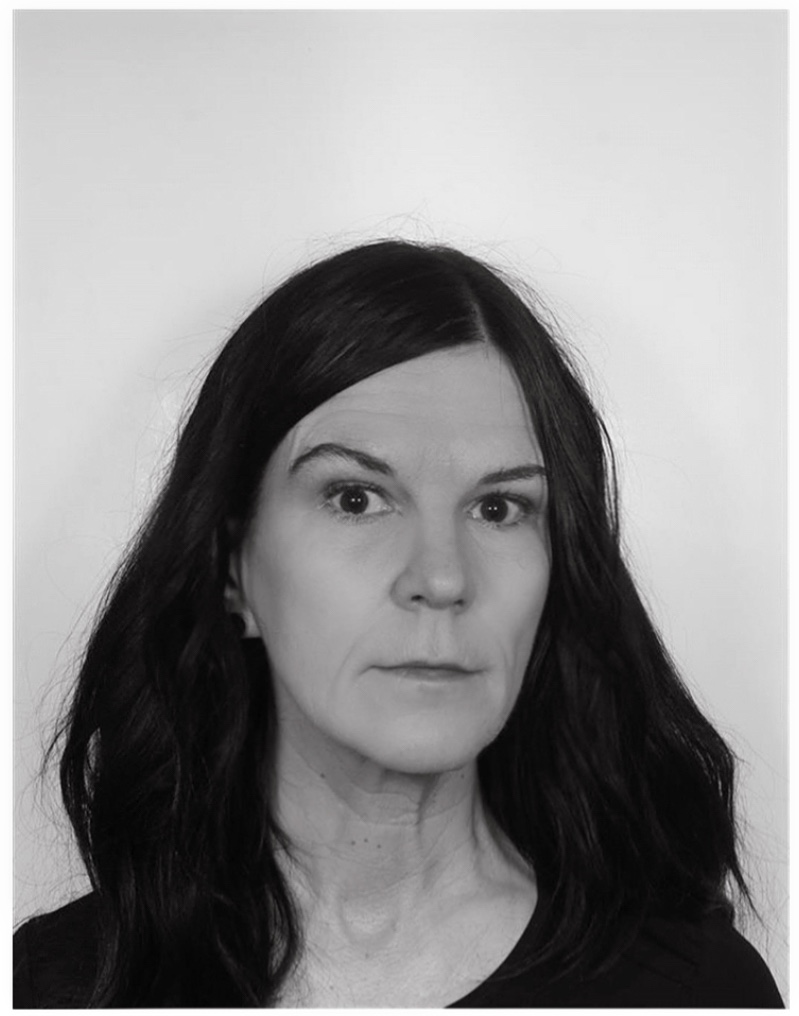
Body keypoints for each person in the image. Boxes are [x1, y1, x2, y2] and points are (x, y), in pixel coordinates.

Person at [13, 240, 783, 1008]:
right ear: (231, 568)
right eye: (355, 499)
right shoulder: (55, 987)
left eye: (498, 508)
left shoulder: (701, 990)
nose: (442, 578)